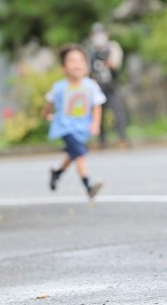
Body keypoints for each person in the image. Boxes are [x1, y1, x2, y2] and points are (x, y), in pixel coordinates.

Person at [42, 43, 106, 199]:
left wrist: (95, 123)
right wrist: (47, 115)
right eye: (72, 61)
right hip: (64, 126)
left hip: (82, 126)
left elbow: (97, 105)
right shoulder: (59, 87)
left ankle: (57, 172)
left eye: (80, 60)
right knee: (80, 154)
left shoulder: (91, 86)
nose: (76, 64)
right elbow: (48, 105)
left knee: (73, 154)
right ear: (63, 67)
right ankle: (88, 186)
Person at [87, 23, 129, 149]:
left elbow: (115, 65)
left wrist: (106, 59)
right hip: (97, 87)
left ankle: (122, 138)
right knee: (99, 114)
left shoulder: (112, 47)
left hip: (111, 85)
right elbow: (89, 69)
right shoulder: (91, 50)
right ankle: (101, 140)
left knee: (118, 112)